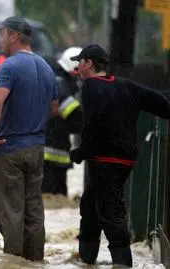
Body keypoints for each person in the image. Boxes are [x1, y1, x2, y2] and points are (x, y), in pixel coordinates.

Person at [68, 44, 170, 267]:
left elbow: (94, 126)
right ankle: (86, 260)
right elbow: (160, 103)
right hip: (124, 159)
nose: (78, 67)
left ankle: (123, 264)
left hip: (105, 159)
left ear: (89, 63)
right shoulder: (126, 85)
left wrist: (80, 152)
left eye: (80, 62)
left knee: (111, 212)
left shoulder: (91, 86)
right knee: (91, 205)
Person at [0, 16, 58, 261]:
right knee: (34, 209)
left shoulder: (10, 66)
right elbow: (53, 107)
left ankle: (13, 262)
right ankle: (35, 261)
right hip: (36, 148)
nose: (0, 39)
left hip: (8, 149)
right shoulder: (46, 67)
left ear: (13, 36)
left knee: (10, 211)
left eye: (2, 33)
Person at [42, 47, 83, 196]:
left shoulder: (60, 81)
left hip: (55, 151)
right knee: (52, 196)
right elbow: (74, 115)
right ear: (74, 69)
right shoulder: (61, 85)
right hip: (51, 153)